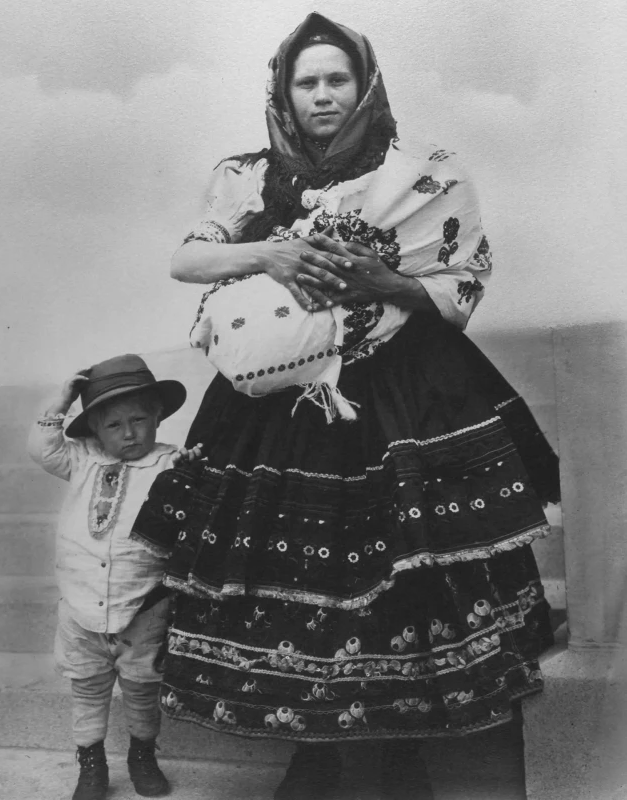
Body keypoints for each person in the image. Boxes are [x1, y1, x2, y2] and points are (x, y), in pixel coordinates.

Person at [133, 13, 560, 800]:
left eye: (338, 79)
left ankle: (419, 753)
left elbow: (461, 282)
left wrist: (383, 283)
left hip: (408, 399)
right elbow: (187, 256)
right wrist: (270, 252)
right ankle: (326, 756)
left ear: (364, 88)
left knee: (420, 577)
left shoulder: (428, 173)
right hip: (281, 410)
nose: (323, 95)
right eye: (308, 82)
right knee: (298, 587)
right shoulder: (246, 174)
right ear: (285, 95)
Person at [28, 354, 201, 800]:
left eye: (140, 419)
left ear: (158, 416)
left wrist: (195, 468)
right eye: (113, 425)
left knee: (143, 690)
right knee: (87, 691)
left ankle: (142, 755)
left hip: (142, 605)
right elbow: (41, 448)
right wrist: (61, 400)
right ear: (94, 430)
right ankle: (91, 765)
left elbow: (198, 494)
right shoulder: (81, 459)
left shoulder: (170, 463)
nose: (128, 433)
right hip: (80, 608)